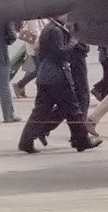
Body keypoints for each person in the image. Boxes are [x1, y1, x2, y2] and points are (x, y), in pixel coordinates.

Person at [18, 17, 100, 153]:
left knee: (40, 111)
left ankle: (26, 141)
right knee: (73, 109)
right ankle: (82, 140)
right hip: (57, 77)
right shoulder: (56, 30)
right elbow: (60, 53)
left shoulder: (49, 28)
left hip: (45, 75)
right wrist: (73, 42)